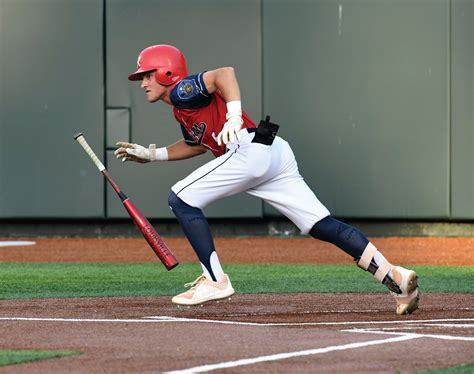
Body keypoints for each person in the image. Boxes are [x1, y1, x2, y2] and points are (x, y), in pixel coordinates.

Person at [115, 44, 419, 315]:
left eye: (147, 75)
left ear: (167, 72)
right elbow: (197, 144)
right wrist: (151, 155)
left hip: (248, 150)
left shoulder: (183, 90)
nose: (142, 83)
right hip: (272, 151)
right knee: (320, 224)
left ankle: (215, 280)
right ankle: (394, 277)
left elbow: (224, 74)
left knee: (180, 199)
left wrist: (234, 116)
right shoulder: (181, 109)